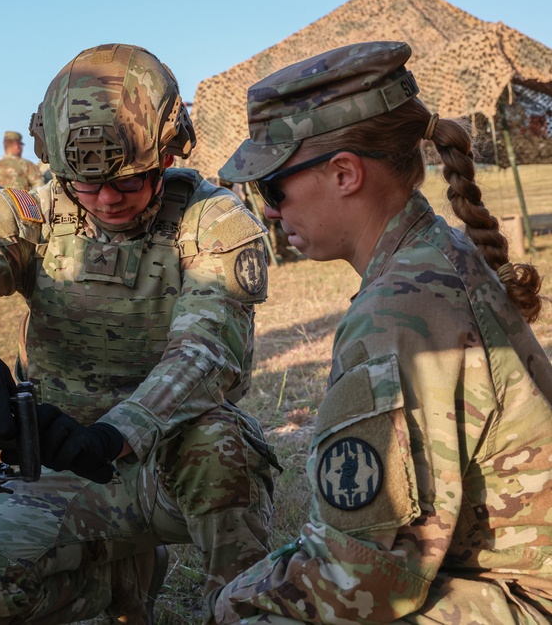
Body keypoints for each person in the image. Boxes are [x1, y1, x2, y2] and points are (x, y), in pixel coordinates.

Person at [0, 43, 277, 624]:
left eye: (128, 182)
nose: (106, 200)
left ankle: (244, 606)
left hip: (173, 455)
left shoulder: (212, 222)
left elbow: (203, 354)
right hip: (62, 460)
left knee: (223, 449)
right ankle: (118, 584)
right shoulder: (35, 212)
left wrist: (116, 434)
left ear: (167, 155)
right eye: (84, 186)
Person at [209, 40, 552, 623]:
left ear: (345, 173)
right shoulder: (433, 249)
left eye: (273, 188)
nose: (269, 211)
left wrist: (235, 600)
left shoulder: (397, 311)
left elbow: (362, 581)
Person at [0, 130, 44, 203]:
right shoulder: (27, 165)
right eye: (21, 145)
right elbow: (40, 190)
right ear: (17, 146)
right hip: (22, 211)